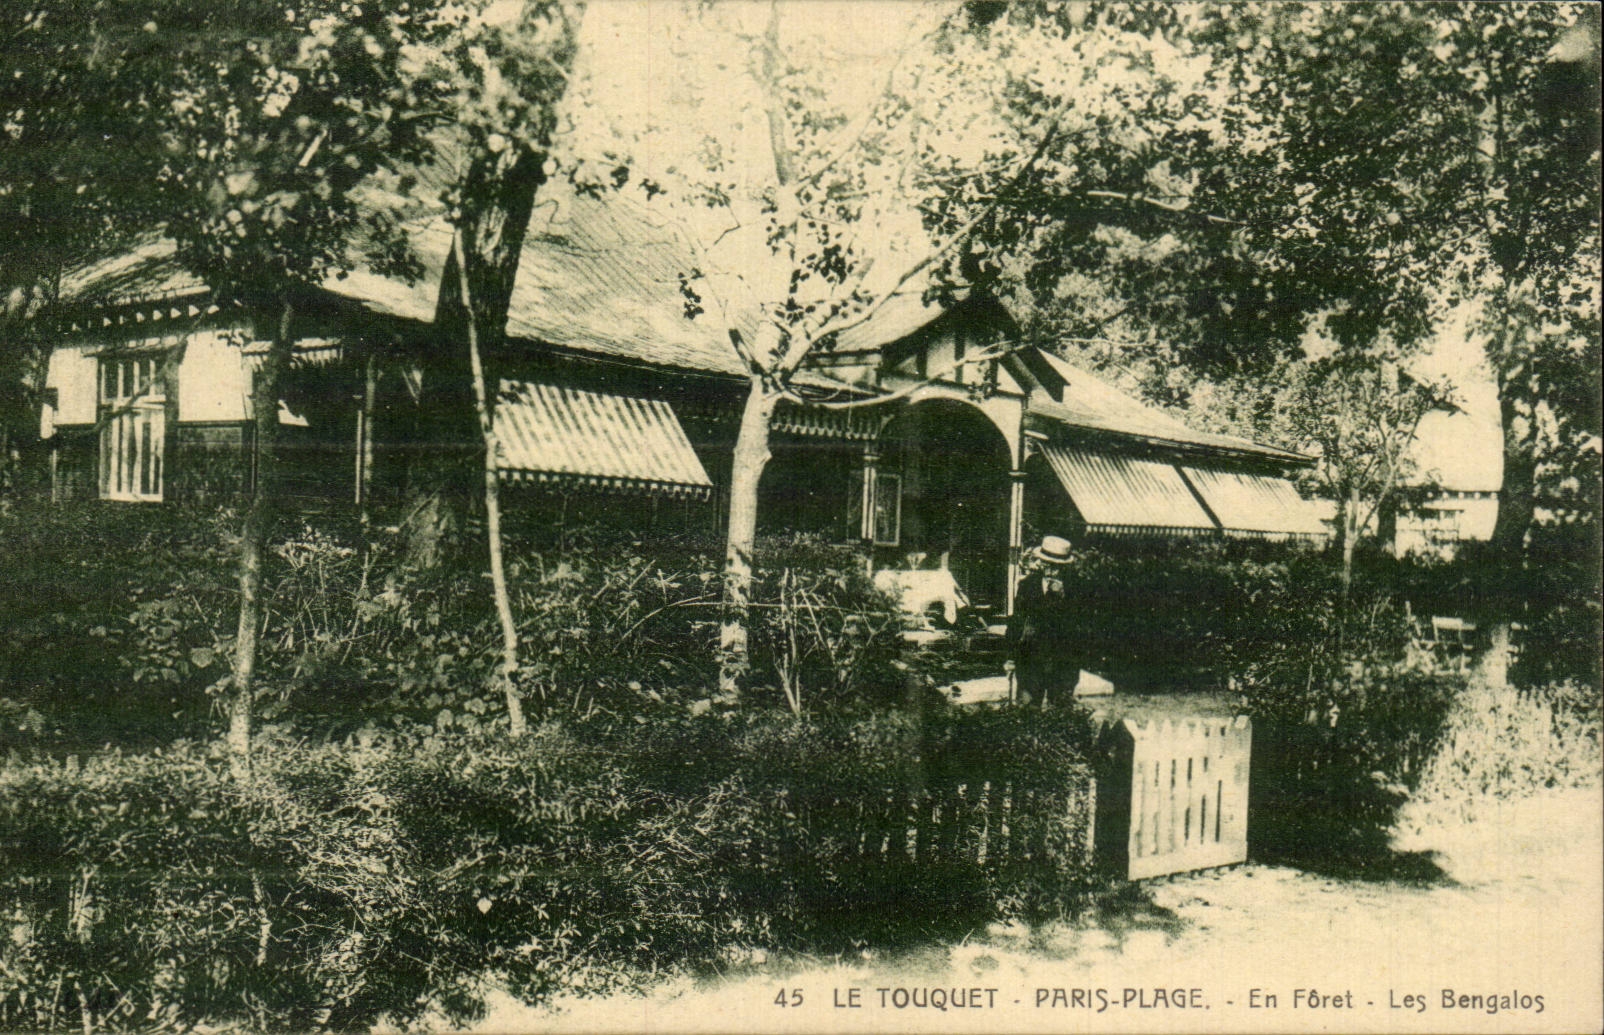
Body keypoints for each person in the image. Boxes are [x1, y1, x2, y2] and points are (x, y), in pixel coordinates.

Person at [1006, 535, 1081, 708]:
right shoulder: (1027, 585)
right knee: (1027, 710)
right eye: (1046, 563)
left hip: (1062, 662)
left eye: (1056, 566)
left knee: (1061, 711)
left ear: (1064, 567)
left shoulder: (1076, 588)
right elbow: (1016, 621)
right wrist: (1010, 656)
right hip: (1030, 660)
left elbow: (1081, 625)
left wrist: (1064, 597)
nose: (1050, 569)